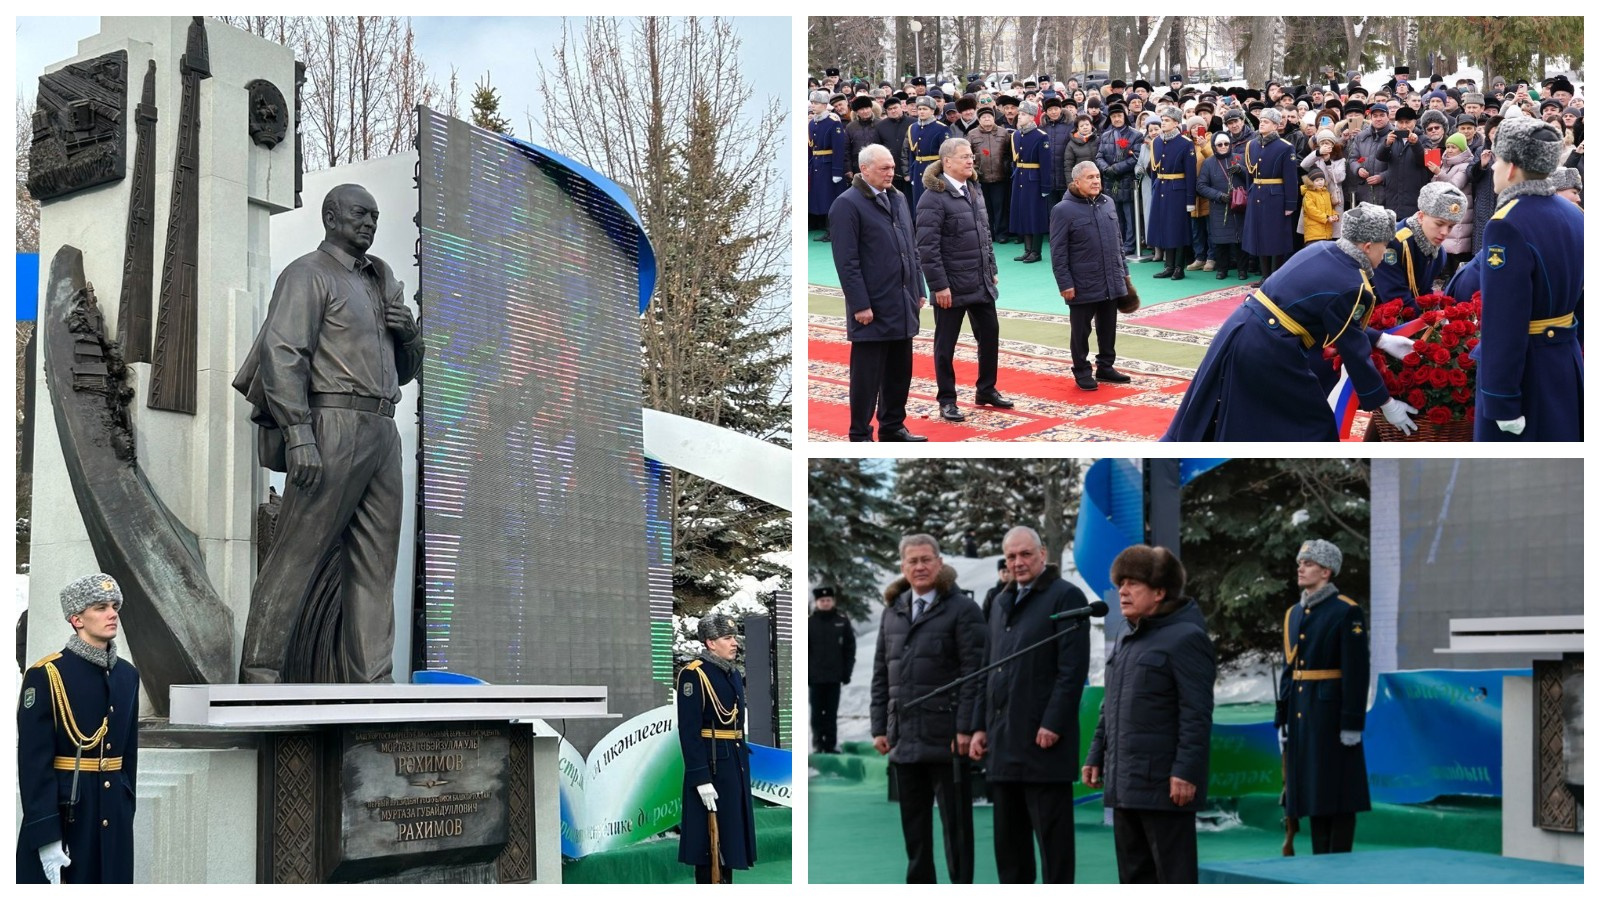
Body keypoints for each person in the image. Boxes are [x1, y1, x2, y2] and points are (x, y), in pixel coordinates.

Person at [234, 184, 425, 683]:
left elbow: (406, 372)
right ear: (331, 216)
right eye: (361, 214)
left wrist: (408, 333)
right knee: (296, 553)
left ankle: (373, 681)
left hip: (383, 429)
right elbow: (283, 353)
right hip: (330, 422)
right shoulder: (308, 274)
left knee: (375, 565)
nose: (370, 223)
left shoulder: (382, 282)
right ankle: (260, 673)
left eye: (376, 216)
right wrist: (299, 432)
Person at [1162, 203, 1419, 441]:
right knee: (1312, 425)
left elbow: (1331, 317)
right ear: (1367, 246)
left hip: (1243, 329)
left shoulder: (1323, 248)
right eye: (1384, 246)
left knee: (1243, 417)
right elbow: (1353, 350)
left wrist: (1382, 339)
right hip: (1270, 349)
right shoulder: (1353, 284)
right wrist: (1385, 403)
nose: (1385, 254)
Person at [1084, 546, 1215, 884]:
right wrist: (1097, 753)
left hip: (1165, 788)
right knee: (1134, 878)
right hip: (1125, 782)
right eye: (1120, 584)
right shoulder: (1129, 638)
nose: (1122, 592)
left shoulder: (1187, 638)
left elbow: (1196, 713)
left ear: (1159, 592)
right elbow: (1109, 706)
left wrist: (1186, 772)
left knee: (1172, 878)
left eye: (1133, 584)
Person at [970, 526, 1090, 884]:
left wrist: (1053, 723)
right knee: (1010, 848)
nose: (1018, 562)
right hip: (1003, 743)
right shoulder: (1000, 600)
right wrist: (979, 726)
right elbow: (987, 669)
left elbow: (1072, 671)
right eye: (1011, 556)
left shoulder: (1066, 597)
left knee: (1053, 847)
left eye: (1025, 554)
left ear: (1042, 555)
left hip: (1043, 744)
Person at [871, 535, 987, 883]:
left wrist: (966, 728)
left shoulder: (963, 610)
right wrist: (880, 727)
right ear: (903, 567)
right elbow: (881, 673)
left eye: (926, 560)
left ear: (939, 563)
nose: (919, 567)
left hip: (948, 739)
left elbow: (976, 674)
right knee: (915, 834)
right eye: (912, 561)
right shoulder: (893, 611)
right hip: (904, 739)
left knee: (958, 831)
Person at [17, 574, 140, 884]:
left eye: (115, 606)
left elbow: (128, 757)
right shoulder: (48, 675)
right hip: (68, 816)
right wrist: (46, 836)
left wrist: (126, 809)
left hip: (114, 817)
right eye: (100, 607)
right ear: (76, 618)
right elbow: (34, 765)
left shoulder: (127, 676)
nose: (112, 614)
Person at [1475, 116, 1584, 442]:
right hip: (1565, 361)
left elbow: (1503, 322)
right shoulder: (1573, 214)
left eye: (1497, 159)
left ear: (1510, 167)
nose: (1493, 168)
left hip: (1527, 374)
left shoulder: (1506, 224)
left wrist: (1501, 399)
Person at [1277, 540, 1370, 855]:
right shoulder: (1294, 614)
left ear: (1326, 571)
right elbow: (1290, 670)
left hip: (1331, 715)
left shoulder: (1346, 610)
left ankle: (1338, 861)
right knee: (1315, 790)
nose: (1300, 568)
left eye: (1309, 563)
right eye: (1300, 562)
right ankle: (1320, 862)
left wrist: (1352, 721)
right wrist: (1283, 717)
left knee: (1338, 790)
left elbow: (1356, 671)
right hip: (1303, 713)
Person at [830, 144, 927, 443]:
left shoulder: (898, 198)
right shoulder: (847, 205)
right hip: (872, 306)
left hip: (902, 299)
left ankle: (893, 426)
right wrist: (860, 304)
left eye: (892, 167)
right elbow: (847, 262)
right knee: (867, 377)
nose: (890, 172)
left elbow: (911, 248)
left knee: (900, 372)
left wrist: (918, 288)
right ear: (864, 169)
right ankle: (860, 433)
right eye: (883, 168)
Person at [916, 138, 1011, 422]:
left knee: (990, 335)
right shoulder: (932, 198)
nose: (970, 161)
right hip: (951, 286)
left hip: (980, 281)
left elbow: (985, 234)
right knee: (946, 345)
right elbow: (927, 248)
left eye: (971, 156)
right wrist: (939, 286)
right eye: (964, 157)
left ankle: (986, 389)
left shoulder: (974, 189)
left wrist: (991, 267)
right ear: (947, 162)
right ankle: (947, 399)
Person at [678, 613, 757, 883]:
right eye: (727, 638)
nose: (734, 643)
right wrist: (700, 778)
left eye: (734, 637)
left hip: (732, 763)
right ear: (711, 643)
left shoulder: (731, 674)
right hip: (711, 767)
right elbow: (689, 732)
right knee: (708, 845)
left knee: (731, 839)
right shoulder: (694, 675)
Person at [1051, 160, 1136, 391]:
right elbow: (1058, 252)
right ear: (1076, 182)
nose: (1096, 181)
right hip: (1081, 282)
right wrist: (1065, 283)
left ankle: (1106, 367)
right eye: (1090, 177)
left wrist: (1124, 274)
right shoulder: (1062, 210)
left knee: (1108, 325)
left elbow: (1118, 242)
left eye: (1097, 176)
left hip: (1111, 278)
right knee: (1081, 330)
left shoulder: (1108, 203)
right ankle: (1081, 370)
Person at [1241, 108, 1299, 282]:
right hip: (1256, 194)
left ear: (1275, 125)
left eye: (1266, 121)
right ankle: (1264, 276)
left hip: (1275, 197)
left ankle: (1275, 277)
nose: (1262, 123)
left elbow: (1290, 178)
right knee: (1259, 236)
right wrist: (1249, 193)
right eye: (1261, 121)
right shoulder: (1252, 145)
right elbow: (1249, 175)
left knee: (1275, 238)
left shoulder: (1285, 147)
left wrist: (1290, 204)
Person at [1147, 106, 1196, 279]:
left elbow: (1191, 174)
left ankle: (1178, 267)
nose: (1164, 123)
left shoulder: (1185, 143)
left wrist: (1191, 200)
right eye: (1163, 119)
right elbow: (1154, 171)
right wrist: (1154, 188)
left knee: (1178, 229)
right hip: (1161, 188)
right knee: (1164, 227)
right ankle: (1168, 266)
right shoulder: (1156, 142)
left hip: (1178, 190)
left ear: (1176, 123)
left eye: (1167, 120)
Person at [808, 587, 855, 755]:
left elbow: (850, 648)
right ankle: (818, 745)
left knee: (831, 713)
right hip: (815, 677)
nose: (825, 603)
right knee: (816, 714)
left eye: (828, 600)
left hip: (834, 677)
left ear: (833, 601)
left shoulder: (842, 621)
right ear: (817, 602)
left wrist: (846, 672)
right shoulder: (809, 623)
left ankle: (830, 745)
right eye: (822, 601)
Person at [1197, 132, 1248, 280]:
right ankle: (1222, 269)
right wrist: (1218, 196)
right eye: (1220, 144)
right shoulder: (1208, 163)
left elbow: (1251, 178)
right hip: (1219, 206)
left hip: (1239, 205)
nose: (1223, 147)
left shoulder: (1239, 158)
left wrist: (1241, 170)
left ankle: (1242, 270)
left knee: (1240, 240)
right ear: (1214, 146)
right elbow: (1201, 186)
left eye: (1226, 143)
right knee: (1220, 240)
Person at [1008, 100, 1053, 263]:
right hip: (1020, 177)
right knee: (1023, 214)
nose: (1020, 117)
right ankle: (1027, 250)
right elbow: (1015, 161)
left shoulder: (1041, 136)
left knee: (1035, 215)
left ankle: (1036, 251)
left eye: (1024, 114)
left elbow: (1046, 164)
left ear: (1033, 117)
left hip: (1034, 180)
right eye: (1019, 114)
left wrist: (1045, 186)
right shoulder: (1017, 135)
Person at [1098, 103, 1145, 258]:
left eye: (1119, 116)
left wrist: (1117, 168)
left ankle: (1130, 244)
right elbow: (1099, 156)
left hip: (1127, 179)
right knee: (1115, 214)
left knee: (1130, 214)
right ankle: (1118, 242)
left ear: (1124, 116)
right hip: (1111, 180)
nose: (1116, 119)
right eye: (1113, 116)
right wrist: (1106, 169)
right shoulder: (1105, 135)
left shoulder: (1135, 135)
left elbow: (1136, 157)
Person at [970, 107, 1014, 245]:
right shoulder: (972, 134)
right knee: (985, 207)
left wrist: (1007, 166)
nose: (987, 119)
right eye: (983, 117)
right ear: (979, 120)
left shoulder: (1003, 133)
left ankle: (1002, 233)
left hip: (1000, 176)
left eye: (989, 116)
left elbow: (1010, 152)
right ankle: (989, 234)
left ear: (994, 118)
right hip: (981, 177)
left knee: (1000, 206)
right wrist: (974, 170)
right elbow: (969, 154)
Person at [808, 91, 847, 241]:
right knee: (822, 198)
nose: (813, 106)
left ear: (824, 105)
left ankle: (834, 230)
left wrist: (837, 170)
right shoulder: (812, 123)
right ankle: (828, 229)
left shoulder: (833, 121)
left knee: (832, 199)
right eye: (812, 103)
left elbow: (838, 147)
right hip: (818, 164)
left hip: (829, 164)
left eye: (816, 103)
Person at [906, 97, 951, 221]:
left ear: (932, 111)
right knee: (918, 203)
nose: (921, 112)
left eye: (925, 109)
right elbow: (911, 154)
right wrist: (911, 173)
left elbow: (947, 154)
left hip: (934, 170)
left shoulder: (941, 128)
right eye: (919, 109)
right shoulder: (912, 128)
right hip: (918, 170)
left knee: (935, 202)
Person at [1301, 173, 1337, 242]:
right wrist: (1326, 217)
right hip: (1314, 234)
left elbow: (1330, 208)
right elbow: (1311, 210)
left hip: (1326, 233)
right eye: (1317, 180)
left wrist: (1334, 215)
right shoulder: (1309, 194)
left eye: (1321, 179)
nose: (1320, 182)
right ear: (1311, 182)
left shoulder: (1326, 193)